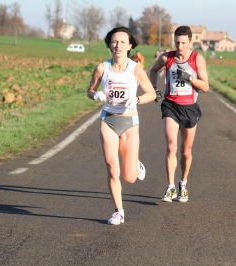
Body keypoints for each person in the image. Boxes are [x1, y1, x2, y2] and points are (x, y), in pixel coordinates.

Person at [87, 27, 156, 225]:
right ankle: (118, 211)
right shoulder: (102, 68)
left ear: (130, 45)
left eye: (122, 42)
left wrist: (138, 100)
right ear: (110, 44)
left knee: (130, 177)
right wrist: (96, 95)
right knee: (112, 168)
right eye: (114, 42)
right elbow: (90, 90)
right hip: (108, 120)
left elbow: (151, 93)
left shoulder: (135, 69)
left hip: (129, 122)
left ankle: (135, 164)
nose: (118, 45)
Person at [149, 25, 209, 203]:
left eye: (183, 43)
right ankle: (170, 187)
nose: (180, 46)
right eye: (177, 42)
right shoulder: (167, 57)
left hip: (190, 108)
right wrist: (153, 89)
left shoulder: (197, 59)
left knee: (186, 152)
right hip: (171, 106)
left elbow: (205, 87)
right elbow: (153, 70)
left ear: (190, 41)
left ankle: (183, 183)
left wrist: (189, 77)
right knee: (171, 148)